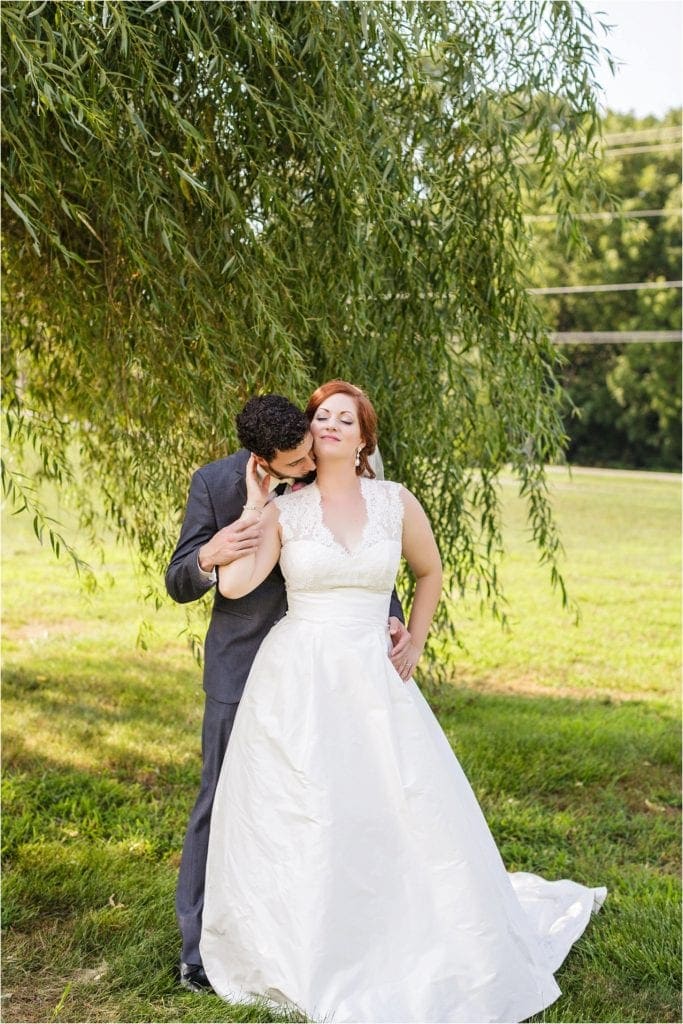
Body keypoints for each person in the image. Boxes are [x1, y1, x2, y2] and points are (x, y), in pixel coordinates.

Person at [198, 380, 606, 1024]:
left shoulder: (395, 501)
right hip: (299, 676)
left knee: (394, 800)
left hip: (373, 672)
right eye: (321, 416)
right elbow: (240, 583)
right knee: (308, 804)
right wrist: (252, 509)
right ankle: (309, 940)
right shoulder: (285, 510)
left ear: (364, 438)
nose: (329, 424)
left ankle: (404, 929)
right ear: (308, 434)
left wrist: (413, 637)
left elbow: (429, 570)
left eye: (343, 418)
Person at [165, 393, 408, 993]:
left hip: (325, 670)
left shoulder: (334, 467)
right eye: (296, 459)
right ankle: (199, 949)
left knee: (319, 796)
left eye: (311, 448)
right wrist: (208, 557)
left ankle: (310, 926)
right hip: (242, 665)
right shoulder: (217, 483)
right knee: (220, 799)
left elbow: (365, 554)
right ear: (263, 456)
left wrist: (392, 615)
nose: (309, 463)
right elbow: (177, 581)